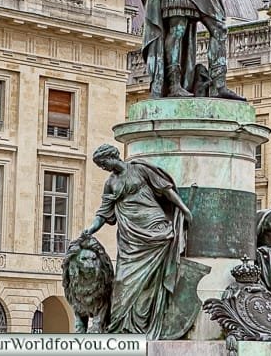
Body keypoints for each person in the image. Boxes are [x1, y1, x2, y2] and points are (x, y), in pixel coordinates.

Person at [79, 144, 191, 340]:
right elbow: (103, 213)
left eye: (104, 163)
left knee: (149, 282)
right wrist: (91, 228)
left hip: (153, 228)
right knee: (122, 281)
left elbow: (166, 190)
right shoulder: (110, 183)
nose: (104, 167)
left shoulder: (139, 168)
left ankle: (141, 325)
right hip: (130, 237)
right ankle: (124, 327)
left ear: (112, 156)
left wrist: (183, 208)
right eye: (101, 166)